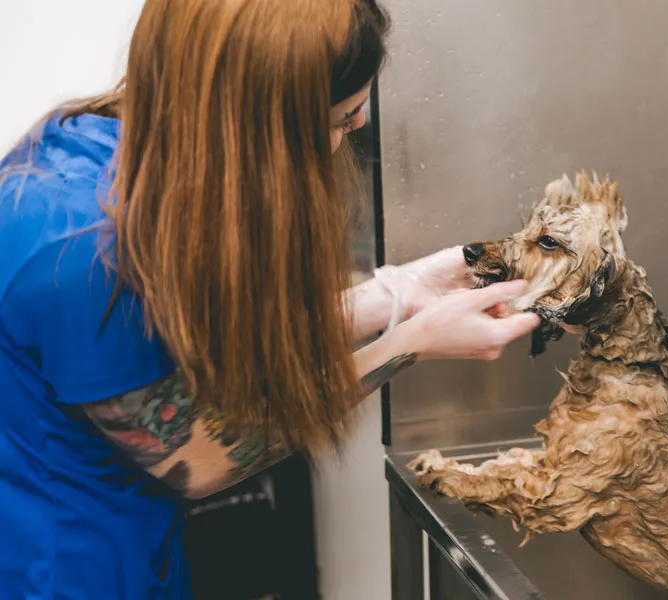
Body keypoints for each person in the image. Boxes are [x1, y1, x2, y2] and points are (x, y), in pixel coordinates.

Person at [0, 0, 539, 598]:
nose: (352, 132)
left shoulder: (118, 145)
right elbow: (199, 460)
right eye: (343, 119)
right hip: (63, 570)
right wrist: (409, 344)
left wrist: (397, 293)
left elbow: (185, 349)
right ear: (257, 124)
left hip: (131, 544)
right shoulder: (80, 251)